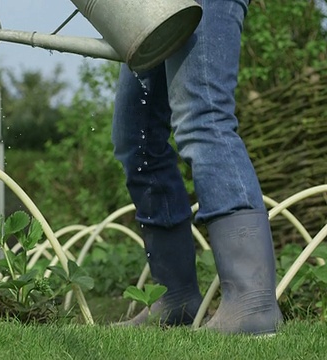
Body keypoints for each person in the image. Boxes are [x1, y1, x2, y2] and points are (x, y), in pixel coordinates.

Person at [111, 0, 283, 335]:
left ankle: (252, 301)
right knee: (137, 137)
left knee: (202, 116)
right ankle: (175, 297)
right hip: (149, 6)